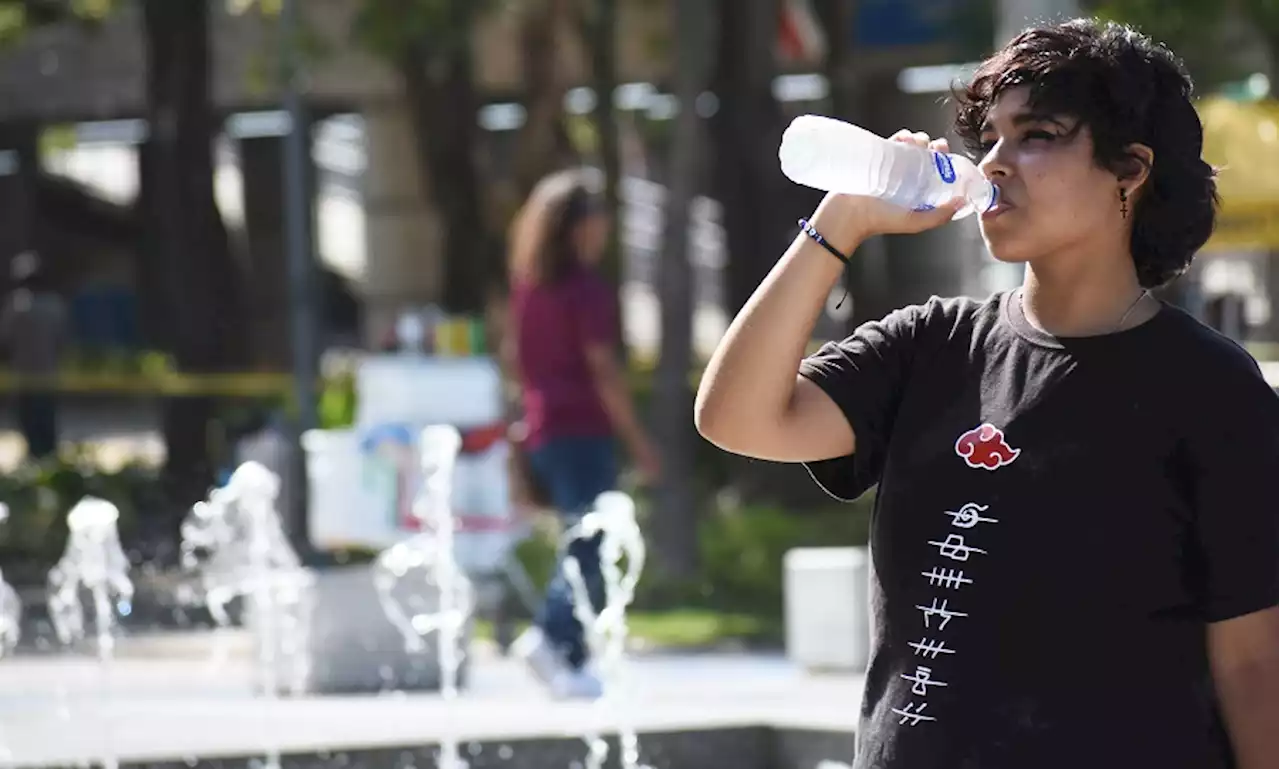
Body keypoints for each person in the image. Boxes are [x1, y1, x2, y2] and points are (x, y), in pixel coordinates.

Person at [695, 19, 1280, 769]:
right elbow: (735, 416)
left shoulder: (1210, 391)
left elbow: (1253, 663)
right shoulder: (929, 345)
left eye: (1037, 135)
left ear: (1129, 169)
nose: (997, 163)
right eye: (991, 139)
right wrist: (842, 219)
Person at [502, 169, 660, 699]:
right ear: (577, 228)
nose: (605, 229)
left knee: (584, 539)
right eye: (598, 219)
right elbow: (604, 374)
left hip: (545, 431)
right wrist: (639, 442)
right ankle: (549, 639)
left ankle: (571, 659)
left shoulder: (529, 289)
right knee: (591, 544)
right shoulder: (585, 292)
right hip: (581, 432)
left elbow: (516, 365)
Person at [1, 252, 67, 460]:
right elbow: (62, 340)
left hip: (24, 376)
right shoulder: (55, 305)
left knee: (30, 420)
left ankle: (37, 458)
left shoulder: (16, 306)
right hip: (48, 374)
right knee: (45, 420)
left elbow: (5, 340)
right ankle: (48, 458)